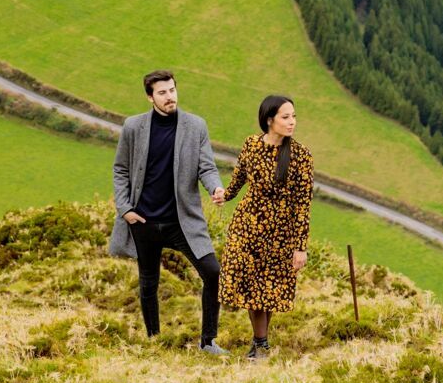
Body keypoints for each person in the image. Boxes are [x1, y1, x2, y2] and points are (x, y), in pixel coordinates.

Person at [108, 70, 230, 354]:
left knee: (213, 273)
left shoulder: (196, 126)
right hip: (144, 220)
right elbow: (120, 169)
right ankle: (154, 340)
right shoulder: (133, 127)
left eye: (172, 90)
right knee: (148, 283)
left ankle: (208, 342)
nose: (169, 96)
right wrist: (125, 209)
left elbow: (207, 167)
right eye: (162, 92)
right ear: (150, 97)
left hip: (182, 222)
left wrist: (215, 188)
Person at [218, 94, 314, 360]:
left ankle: (260, 343)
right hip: (247, 227)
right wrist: (225, 195)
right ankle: (261, 344)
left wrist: (300, 247)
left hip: (280, 233)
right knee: (252, 286)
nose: (292, 122)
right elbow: (239, 178)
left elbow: (303, 204)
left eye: (294, 116)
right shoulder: (251, 144)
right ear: (269, 120)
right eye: (286, 117)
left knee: (268, 290)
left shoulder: (301, 155)